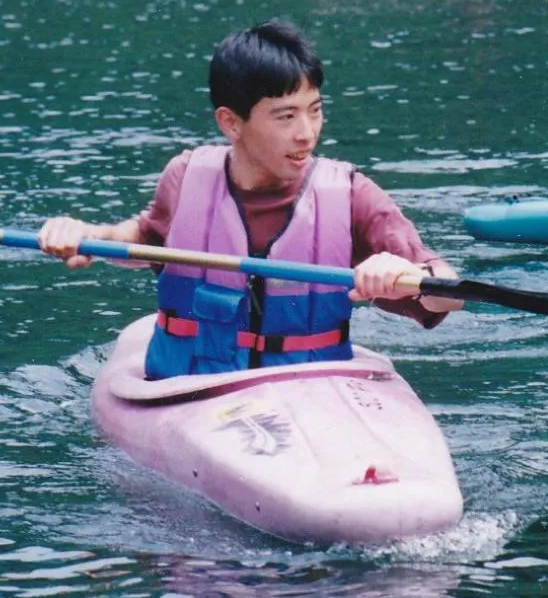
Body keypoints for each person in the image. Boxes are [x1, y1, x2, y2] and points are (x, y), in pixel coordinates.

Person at [38, 20, 462, 380]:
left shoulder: (350, 194)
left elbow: (449, 294)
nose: (307, 133)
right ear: (231, 123)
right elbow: (144, 238)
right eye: (286, 116)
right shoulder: (185, 178)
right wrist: (86, 237)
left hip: (310, 391)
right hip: (190, 388)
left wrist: (408, 272)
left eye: (315, 110)